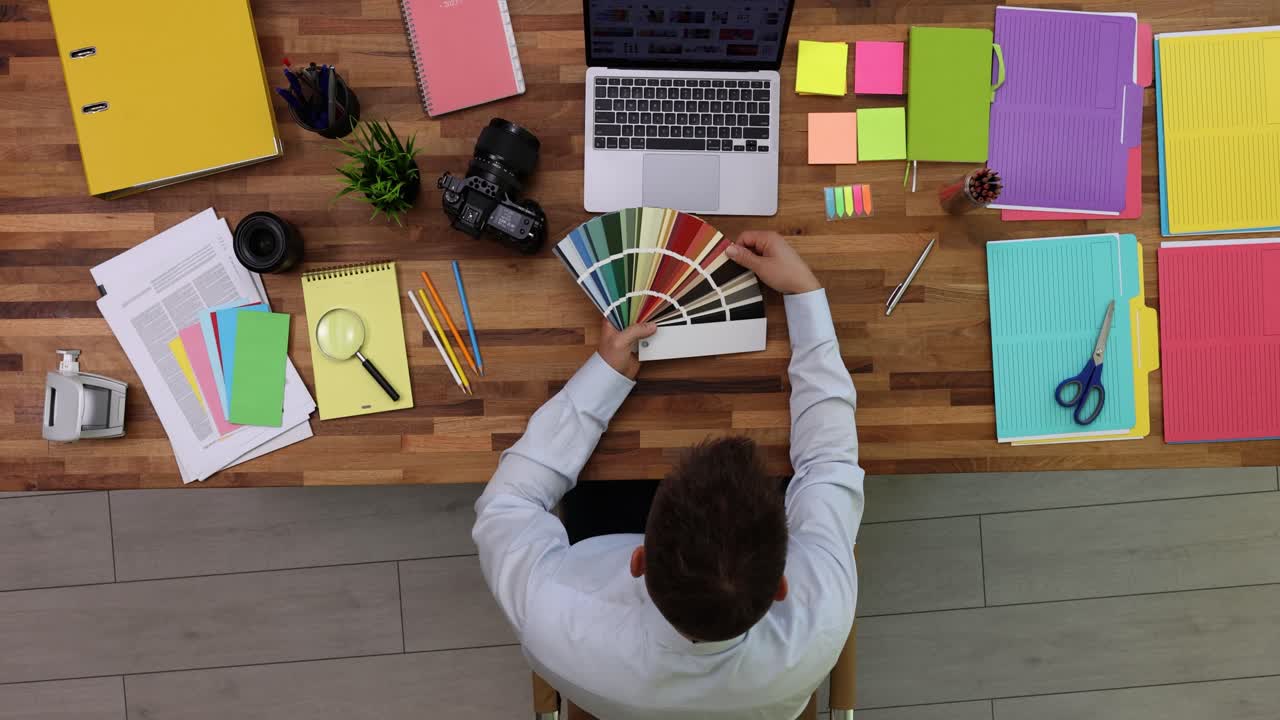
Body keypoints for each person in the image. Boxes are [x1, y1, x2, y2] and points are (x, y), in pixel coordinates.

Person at [473, 231, 864, 720]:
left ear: (639, 557)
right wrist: (804, 296)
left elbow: (505, 505)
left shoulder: (552, 610)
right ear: (782, 586)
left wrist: (604, 376)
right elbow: (829, 460)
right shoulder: (820, 615)